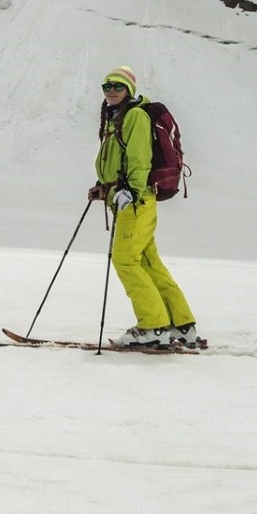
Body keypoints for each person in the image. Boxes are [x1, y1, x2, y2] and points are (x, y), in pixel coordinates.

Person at [90, 65, 201, 349]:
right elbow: (119, 159)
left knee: (125, 260)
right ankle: (181, 324)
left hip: (135, 201)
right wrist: (105, 185)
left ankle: (153, 326)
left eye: (117, 86)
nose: (111, 91)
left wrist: (130, 190)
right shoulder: (116, 117)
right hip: (129, 198)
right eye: (107, 86)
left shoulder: (135, 115)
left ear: (129, 90)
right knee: (148, 262)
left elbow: (140, 157)